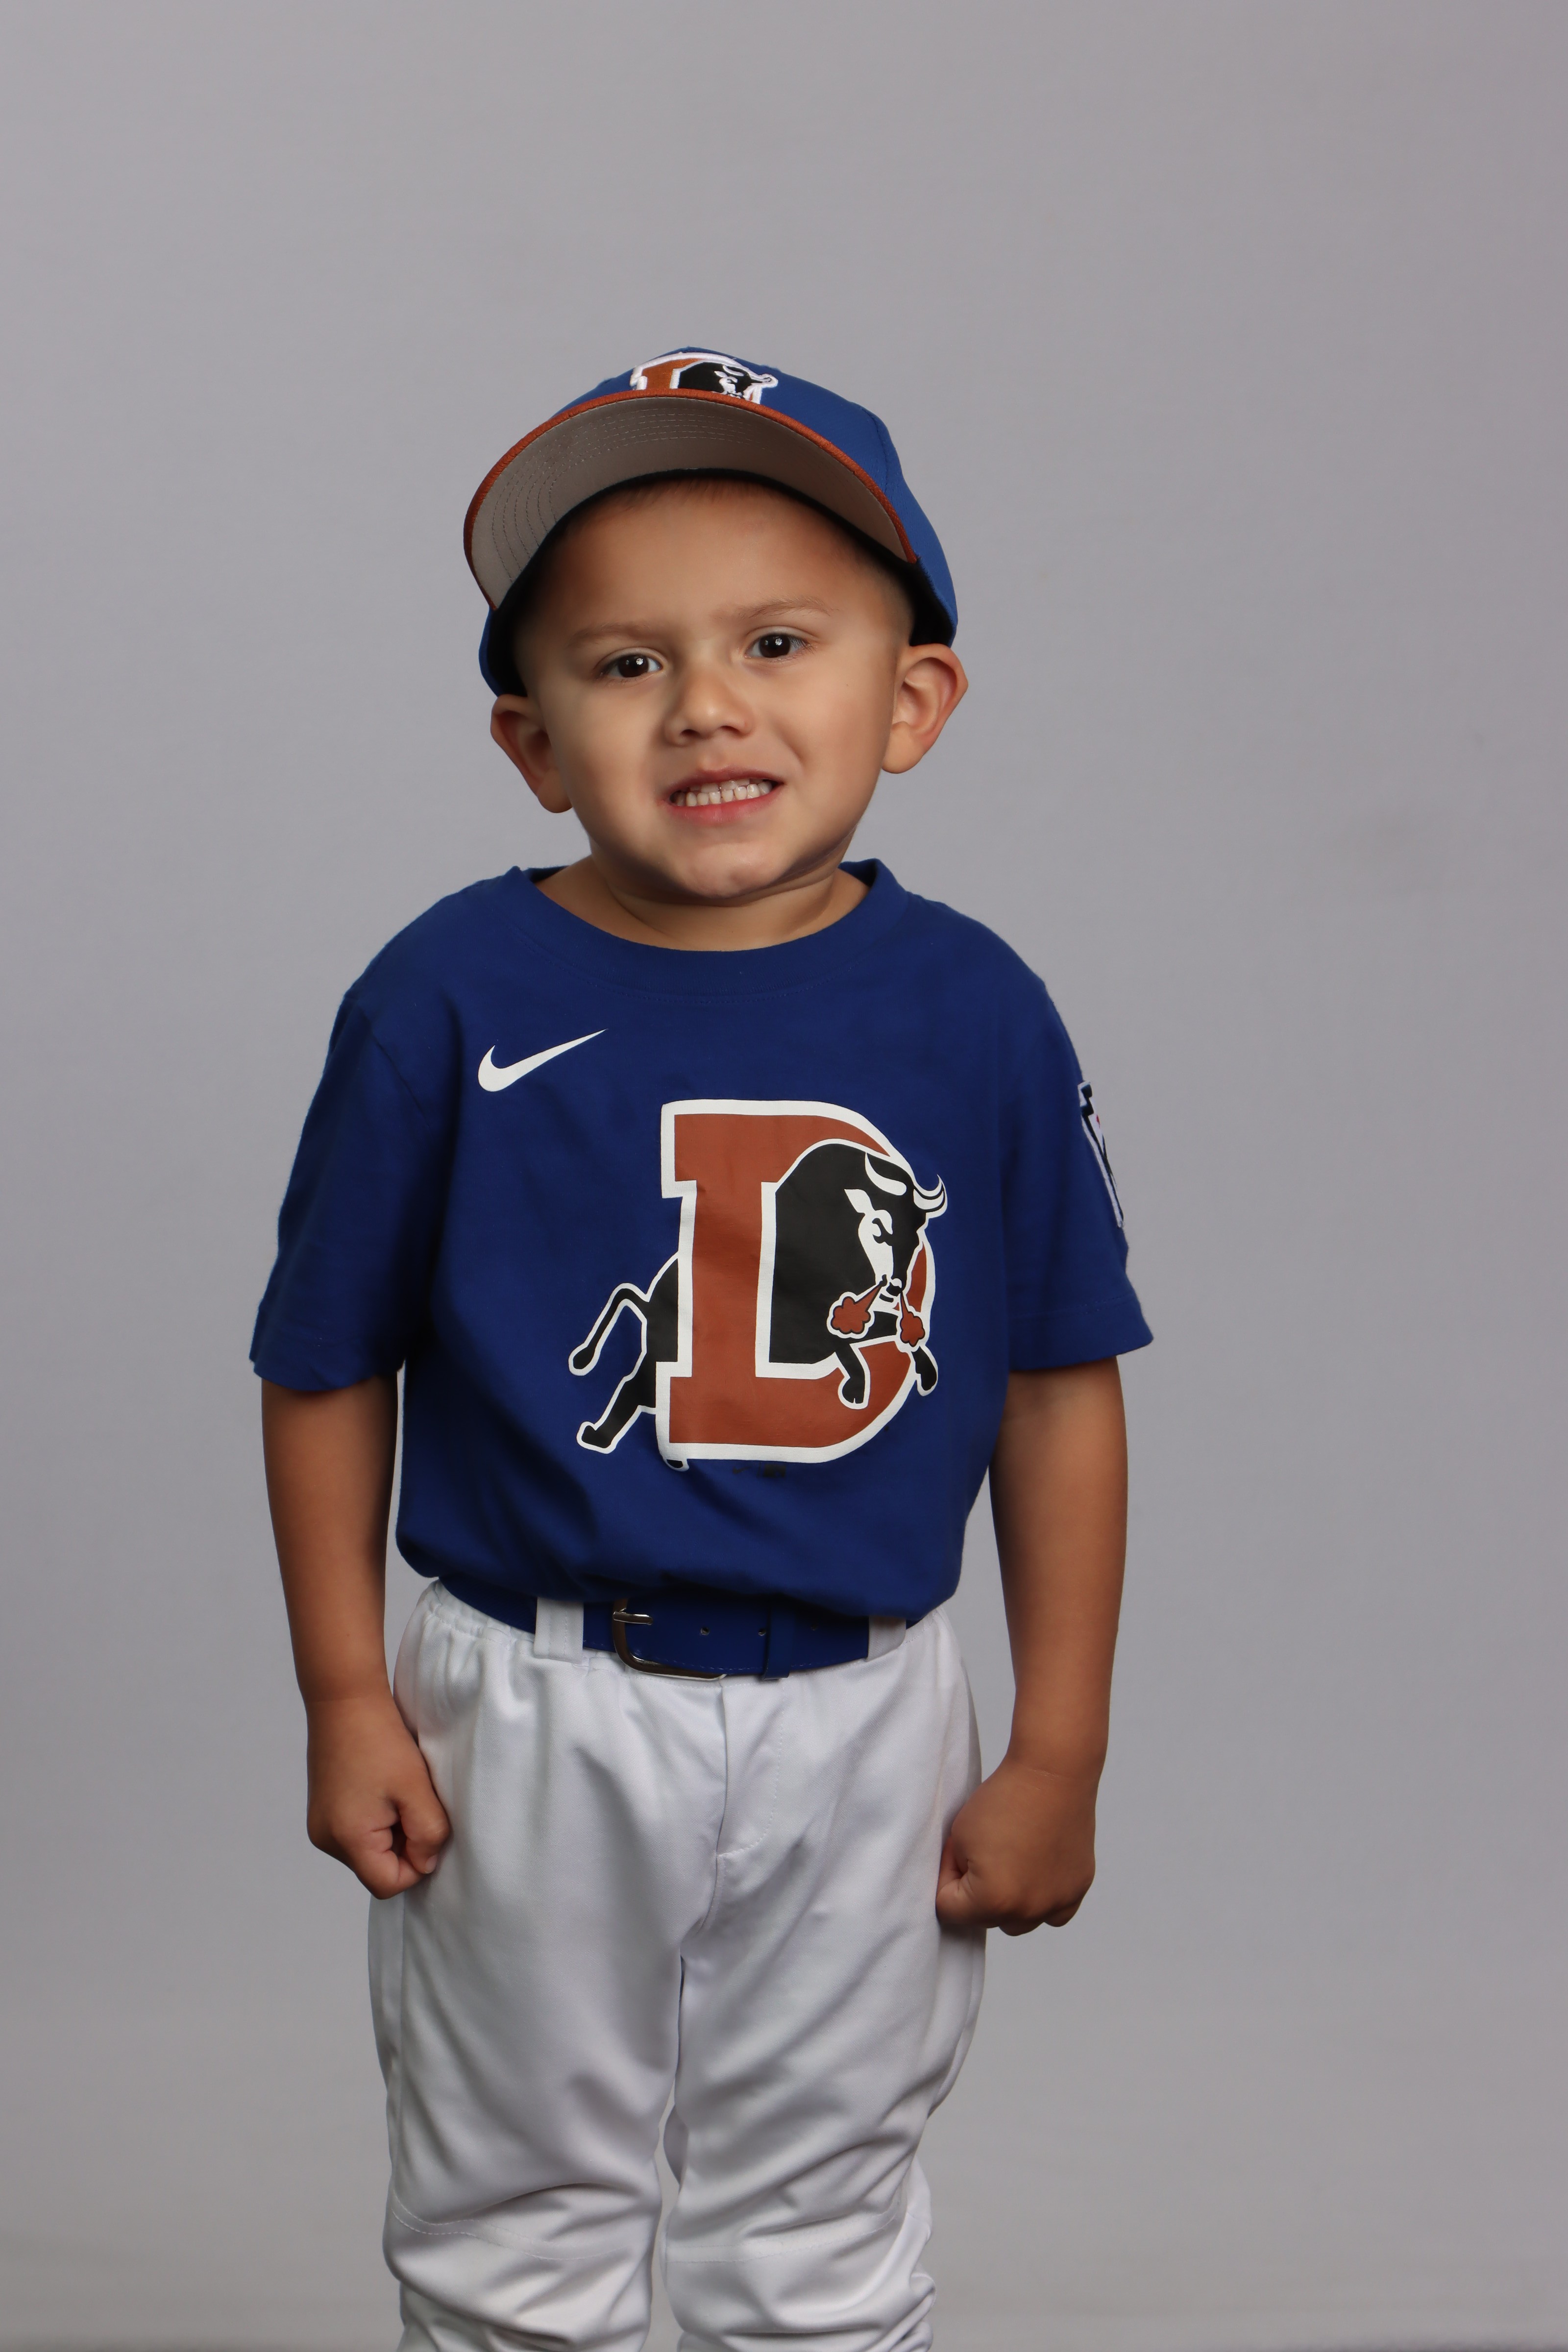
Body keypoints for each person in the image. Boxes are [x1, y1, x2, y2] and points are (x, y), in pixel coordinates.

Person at [255, 346, 1152, 2352]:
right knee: (511, 2227)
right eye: (626, 661)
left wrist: (1060, 1744)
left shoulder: (976, 1011)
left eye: (775, 642)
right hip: (536, 1697)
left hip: (867, 1708)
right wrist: (342, 1691)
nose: (708, 706)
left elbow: (1053, 1386)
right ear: (530, 737)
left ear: (910, 699)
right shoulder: (445, 993)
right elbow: (325, 1362)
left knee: (816, 2228)